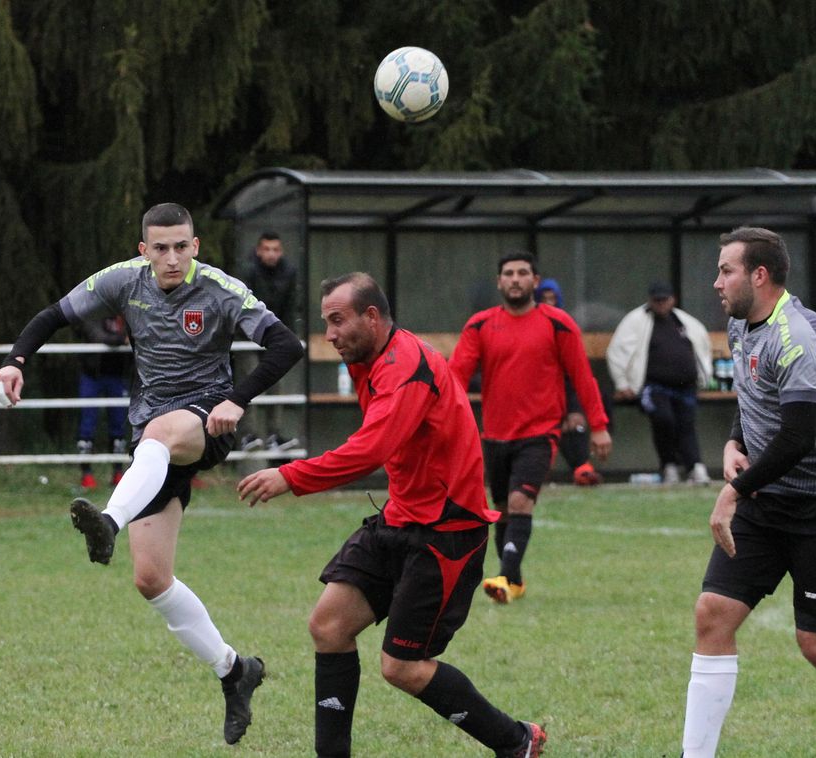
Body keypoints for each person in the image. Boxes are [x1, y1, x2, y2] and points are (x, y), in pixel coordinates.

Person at [0, 203, 304, 745]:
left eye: (182, 246)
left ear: (196, 246)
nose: (172, 257)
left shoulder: (222, 289)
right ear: (144, 251)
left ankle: (107, 521)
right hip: (153, 440)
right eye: (161, 248)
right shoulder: (124, 282)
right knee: (151, 578)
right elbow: (52, 317)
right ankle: (235, 670)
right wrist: (15, 360)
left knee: (158, 435)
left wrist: (237, 399)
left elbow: (287, 345)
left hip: (204, 419)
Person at [237, 273, 546, 758]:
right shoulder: (370, 360)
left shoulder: (406, 365)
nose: (330, 334)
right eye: (326, 323)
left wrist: (292, 477)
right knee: (329, 626)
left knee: (402, 667)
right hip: (400, 520)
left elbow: (373, 448)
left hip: (446, 532)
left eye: (338, 321)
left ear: (372, 317)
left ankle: (517, 741)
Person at [680, 227, 816, 757]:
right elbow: (756, 397)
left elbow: (797, 437)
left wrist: (731, 492)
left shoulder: (797, 335)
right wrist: (735, 441)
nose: (716, 282)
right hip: (767, 500)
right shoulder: (740, 325)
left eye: (725, 271)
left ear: (759, 275)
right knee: (713, 614)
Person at [450, 252, 611, 604]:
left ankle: (505, 578)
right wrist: (438, 425)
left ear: (535, 281)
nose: (515, 279)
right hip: (494, 435)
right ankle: (517, 581)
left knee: (522, 501)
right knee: (503, 508)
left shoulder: (558, 324)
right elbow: (454, 381)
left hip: (540, 434)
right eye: (508, 273)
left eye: (523, 273)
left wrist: (598, 426)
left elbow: (583, 378)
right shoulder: (480, 325)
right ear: (499, 282)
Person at [607, 281, 714, 485]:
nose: (661, 304)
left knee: (686, 423)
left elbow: (702, 348)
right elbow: (618, 351)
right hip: (654, 386)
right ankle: (669, 465)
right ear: (650, 300)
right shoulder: (636, 321)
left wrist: (704, 377)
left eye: (664, 300)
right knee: (664, 419)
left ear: (672, 300)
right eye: (657, 300)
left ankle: (695, 467)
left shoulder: (684, 322)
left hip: (685, 387)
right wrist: (622, 383)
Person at [237, 231, 301, 452]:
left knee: (277, 383)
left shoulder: (289, 272)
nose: (271, 254)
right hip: (248, 335)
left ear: (281, 252)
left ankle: (275, 434)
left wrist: (287, 339)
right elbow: (243, 304)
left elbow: (291, 307)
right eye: (266, 249)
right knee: (250, 379)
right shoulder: (248, 271)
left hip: (275, 335)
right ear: (258, 251)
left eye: (275, 250)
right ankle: (248, 435)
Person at [535, 278, 603, 487]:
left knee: (575, 418)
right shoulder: (527, 327)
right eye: (545, 299)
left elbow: (575, 373)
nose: (550, 304)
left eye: (553, 299)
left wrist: (573, 409)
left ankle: (582, 466)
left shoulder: (564, 327)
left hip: (558, 396)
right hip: (532, 399)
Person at [76, 314, 130, 489]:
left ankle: (118, 473)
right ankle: (86, 475)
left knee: (119, 425)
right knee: (87, 425)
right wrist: (123, 338)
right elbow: (96, 336)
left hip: (117, 375)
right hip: (92, 375)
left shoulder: (128, 309)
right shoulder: (93, 309)